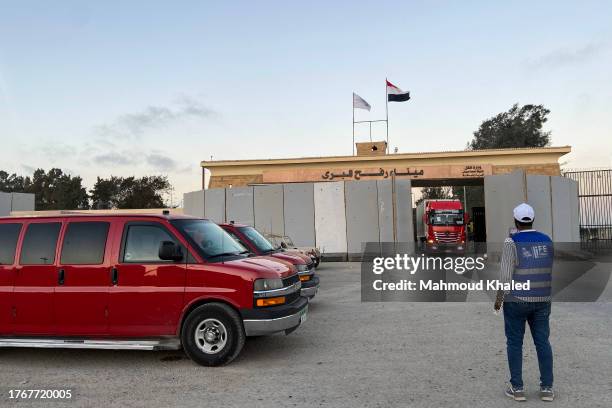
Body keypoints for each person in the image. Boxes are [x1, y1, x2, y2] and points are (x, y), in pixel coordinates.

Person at [494, 203, 554, 402]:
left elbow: (505, 275)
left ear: (515, 221)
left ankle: (517, 388)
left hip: (517, 300)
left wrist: (498, 301)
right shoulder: (547, 240)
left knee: (514, 342)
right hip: (543, 299)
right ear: (533, 220)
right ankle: (547, 388)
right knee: (542, 342)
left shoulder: (511, 242)